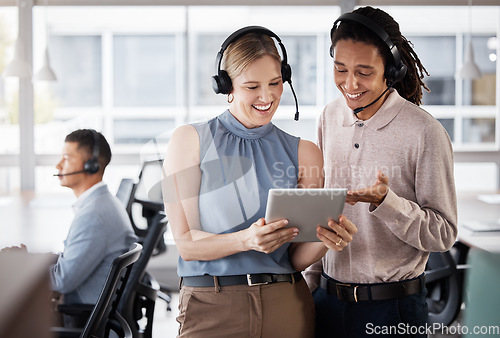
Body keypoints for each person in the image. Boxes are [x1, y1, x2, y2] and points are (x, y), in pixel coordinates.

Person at [162, 26, 357, 338]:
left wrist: (325, 240)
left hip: (285, 306)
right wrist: (246, 240)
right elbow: (186, 244)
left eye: (275, 83)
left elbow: (295, 260)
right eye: (252, 86)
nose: (267, 97)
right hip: (210, 307)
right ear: (227, 86)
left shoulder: (305, 153)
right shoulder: (189, 141)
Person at [304, 7, 458, 338]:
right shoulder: (329, 117)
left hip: (392, 310)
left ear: (391, 68)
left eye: (364, 71)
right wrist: (310, 285)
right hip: (326, 302)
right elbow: (324, 206)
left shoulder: (424, 132)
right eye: (340, 69)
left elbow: (443, 233)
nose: (350, 83)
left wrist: (387, 203)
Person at [4, 129, 137, 326]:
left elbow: (63, 280)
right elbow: (72, 260)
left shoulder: (94, 215)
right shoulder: (101, 204)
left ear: (91, 165)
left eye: (66, 158)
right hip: (91, 311)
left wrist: (23, 269)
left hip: (82, 317)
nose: (58, 165)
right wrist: (31, 261)